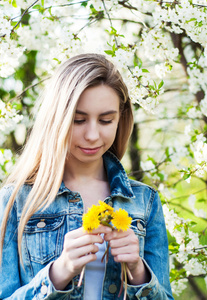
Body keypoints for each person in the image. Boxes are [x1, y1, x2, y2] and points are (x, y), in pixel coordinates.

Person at [0, 53, 174, 300]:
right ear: (56, 120)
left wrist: (138, 272)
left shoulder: (144, 201)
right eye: (78, 120)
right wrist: (58, 274)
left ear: (120, 120)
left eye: (105, 120)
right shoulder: (17, 201)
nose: (92, 135)